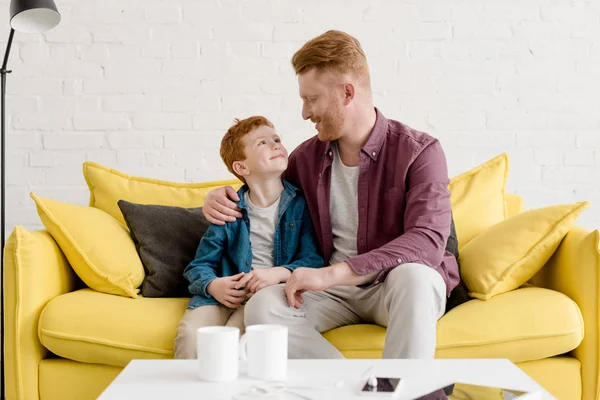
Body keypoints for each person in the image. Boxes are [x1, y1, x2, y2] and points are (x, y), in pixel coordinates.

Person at [202, 30, 460, 359]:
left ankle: (404, 392)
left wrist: (333, 273)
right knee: (265, 306)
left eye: (311, 99)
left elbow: (427, 240)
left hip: (393, 286)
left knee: (416, 276)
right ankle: (352, 389)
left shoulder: (419, 151)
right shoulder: (305, 159)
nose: (305, 113)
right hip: (331, 293)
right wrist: (219, 198)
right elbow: (264, 193)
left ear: (347, 93)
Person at [173, 116, 323, 359]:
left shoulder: (300, 205)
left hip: (268, 298)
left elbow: (313, 260)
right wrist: (213, 285)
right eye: (262, 143)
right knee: (191, 334)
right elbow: (199, 265)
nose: (276, 145)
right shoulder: (229, 209)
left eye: (276, 139)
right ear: (241, 168)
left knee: (234, 341)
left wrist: (281, 273)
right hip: (224, 295)